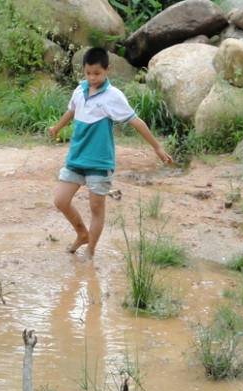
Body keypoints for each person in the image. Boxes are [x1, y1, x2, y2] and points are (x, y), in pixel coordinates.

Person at [48, 47, 174, 260]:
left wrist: (157, 147)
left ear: (107, 70)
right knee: (60, 201)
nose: (92, 78)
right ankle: (82, 234)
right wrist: (57, 128)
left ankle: (90, 251)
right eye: (88, 73)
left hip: (99, 162)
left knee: (96, 208)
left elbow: (136, 121)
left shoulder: (113, 96)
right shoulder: (79, 91)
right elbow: (71, 111)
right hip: (76, 159)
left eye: (97, 73)